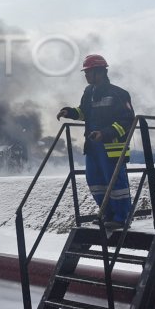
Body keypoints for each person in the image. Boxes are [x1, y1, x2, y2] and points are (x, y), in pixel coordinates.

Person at [57, 54, 134, 233]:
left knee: (115, 183)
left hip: (112, 148)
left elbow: (127, 121)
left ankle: (122, 218)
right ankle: (106, 214)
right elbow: (84, 112)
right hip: (93, 147)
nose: (86, 76)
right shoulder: (89, 93)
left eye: (88, 72)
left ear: (99, 72)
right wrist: (69, 112)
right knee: (95, 181)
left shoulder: (119, 94)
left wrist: (105, 134)